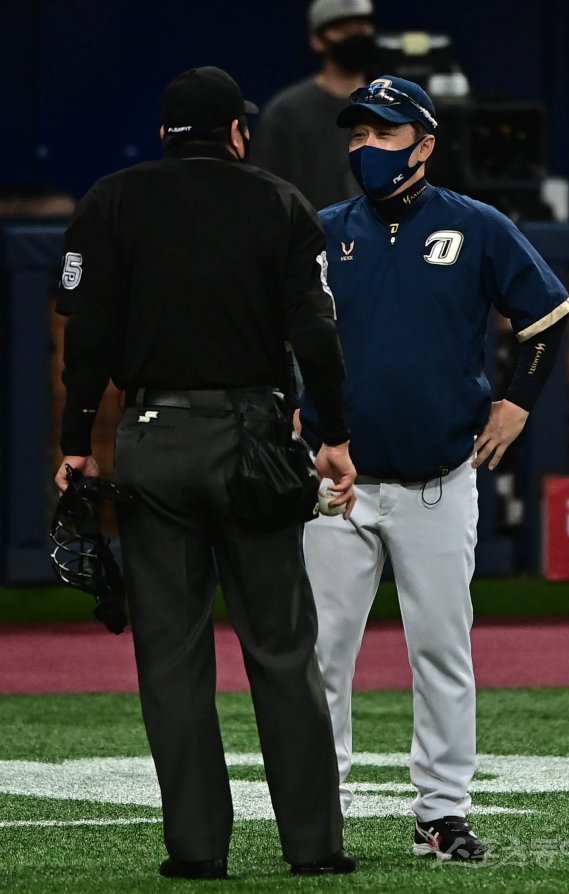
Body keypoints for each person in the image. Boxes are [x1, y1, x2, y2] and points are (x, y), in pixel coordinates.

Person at [53, 65, 358, 880]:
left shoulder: (112, 201)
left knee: (171, 657)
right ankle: (314, 847)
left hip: (153, 440)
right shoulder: (281, 202)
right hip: (256, 439)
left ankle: (195, 849)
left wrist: (76, 442)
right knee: (282, 649)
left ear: (164, 135)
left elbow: (87, 335)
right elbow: (317, 336)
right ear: (236, 133)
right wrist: (334, 435)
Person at [298, 74, 569, 861]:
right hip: (337, 487)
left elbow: (549, 316)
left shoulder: (477, 224)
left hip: (438, 481)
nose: (366, 148)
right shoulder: (320, 231)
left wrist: (519, 402)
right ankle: (320, 810)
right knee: (321, 657)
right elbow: (277, 330)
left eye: (383, 134)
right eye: (358, 134)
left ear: (424, 143)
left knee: (443, 652)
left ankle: (442, 813)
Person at [249, 0, 377, 209]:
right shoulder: (286, 112)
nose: (355, 36)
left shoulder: (395, 106)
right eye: (343, 29)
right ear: (317, 40)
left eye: (362, 27)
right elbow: (264, 194)